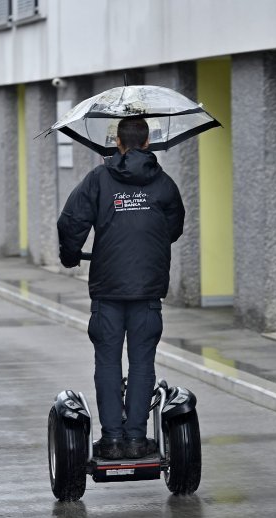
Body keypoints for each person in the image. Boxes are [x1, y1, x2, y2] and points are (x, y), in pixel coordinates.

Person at [57, 117, 185, 460]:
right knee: (143, 362)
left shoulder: (98, 179)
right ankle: (136, 439)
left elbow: (71, 221)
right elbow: (173, 228)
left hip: (108, 289)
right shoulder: (164, 183)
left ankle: (112, 439)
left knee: (108, 362)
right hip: (147, 291)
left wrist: (70, 255)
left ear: (118, 144)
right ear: (147, 143)